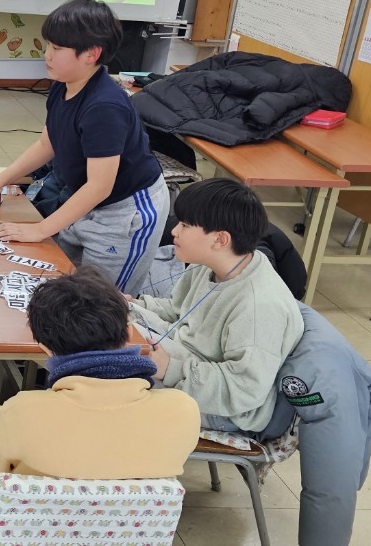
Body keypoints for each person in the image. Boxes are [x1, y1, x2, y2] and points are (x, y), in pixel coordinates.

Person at [0, 266, 199, 523]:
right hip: (126, 534)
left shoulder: (25, 412)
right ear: (128, 332)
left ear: (45, 348)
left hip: (32, 533)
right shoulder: (182, 410)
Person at [0, 0, 168, 295]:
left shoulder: (104, 107)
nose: (47, 55)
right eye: (48, 45)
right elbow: (47, 143)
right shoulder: (62, 83)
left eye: (57, 49)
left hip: (125, 212)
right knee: (60, 278)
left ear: (91, 54)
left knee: (103, 300)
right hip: (86, 199)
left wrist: (40, 229)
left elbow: (100, 187)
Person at [129, 178, 304, 435]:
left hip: (226, 411)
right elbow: (177, 311)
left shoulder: (259, 306)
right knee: (109, 326)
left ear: (220, 239)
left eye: (185, 225)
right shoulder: (212, 264)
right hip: (188, 363)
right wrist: (133, 304)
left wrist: (169, 369)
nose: (175, 231)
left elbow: (244, 390)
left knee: (114, 387)